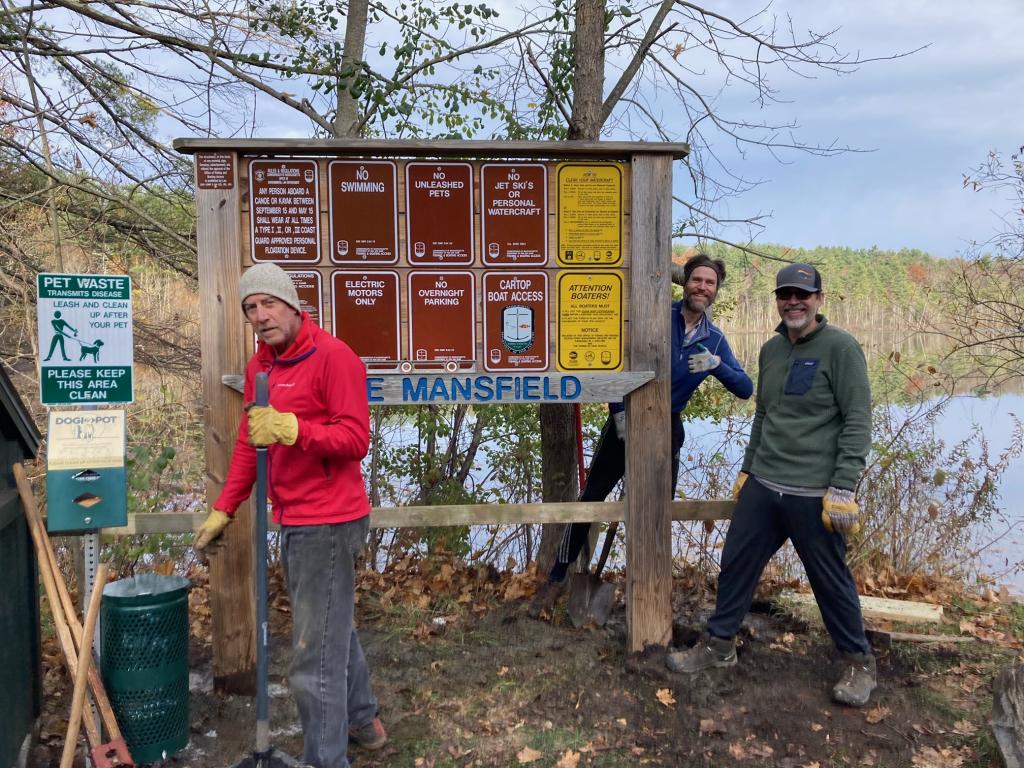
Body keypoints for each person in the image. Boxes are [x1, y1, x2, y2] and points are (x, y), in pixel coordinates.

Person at [193, 263, 386, 768]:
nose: (260, 315)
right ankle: (364, 720)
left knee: (312, 654)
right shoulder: (261, 368)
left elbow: (355, 440)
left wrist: (293, 429)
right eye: (250, 308)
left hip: (330, 521)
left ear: (293, 305)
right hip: (296, 517)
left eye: (269, 304)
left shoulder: (334, 358)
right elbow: (247, 442)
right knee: (330, 626)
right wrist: (224, 508)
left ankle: (327, 760)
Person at [665, 263, 876, 707]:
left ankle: (859, 662)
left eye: (803, 294)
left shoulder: (842, 349)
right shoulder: (772, 349)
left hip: (814, 492)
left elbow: (857, 420)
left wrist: (844, 486)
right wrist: (747, 469)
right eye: (786, 295)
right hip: (764, 483)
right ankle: (719, 646)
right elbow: (763, 413)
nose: (794, 302)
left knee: (830, 579)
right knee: (736, 564)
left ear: (819, 298)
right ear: (778, 300)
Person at [529, 253, 753, 618]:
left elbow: (745, 389)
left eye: (710, 283)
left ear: (716, 290)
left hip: (668, 427)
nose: (702, 287)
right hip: (627, 418)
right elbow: (618, 360)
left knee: (655, 509)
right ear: (687, 283)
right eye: (697, 279)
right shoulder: (656, 316)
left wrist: (718, 366)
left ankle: (648, 588)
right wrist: (619, 413)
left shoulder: (714, 340)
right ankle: (555, 582)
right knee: (591, 500)